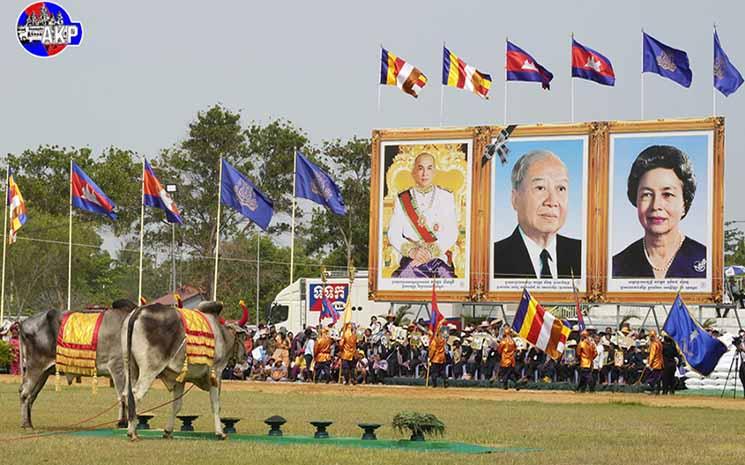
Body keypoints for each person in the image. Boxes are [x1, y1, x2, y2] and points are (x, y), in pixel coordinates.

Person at [613, 145, 706, 279]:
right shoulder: (617, 266)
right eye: (647, 194)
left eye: (667, 194)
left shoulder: (706, 260)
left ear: (684, 203)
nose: (656, 206)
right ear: (636, 200)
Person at [493, 150, 581, 279]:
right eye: (540, 188)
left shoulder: (582, 254)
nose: (552, 202)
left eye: (561, 188)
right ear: (515, 199)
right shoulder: (493, 259)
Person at [387, 152, 458, 278]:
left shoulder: (446, 197)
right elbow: (393, 233)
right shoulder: (402, 199)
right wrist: (412, 251)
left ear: (435, 172)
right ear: (414, 172)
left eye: (429, 168)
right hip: (411, 260)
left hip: (438, 259)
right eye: (420, 168)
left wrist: (429, 253)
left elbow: (451, 233)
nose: (425, 173)